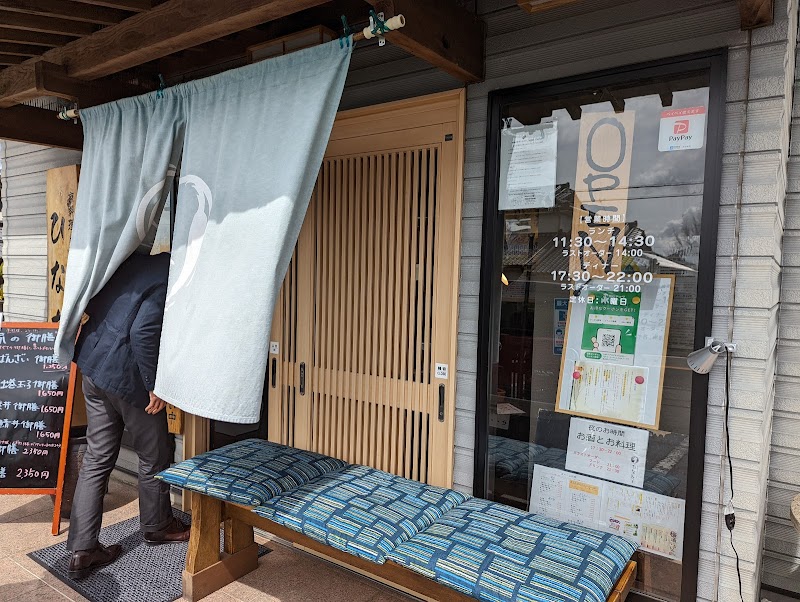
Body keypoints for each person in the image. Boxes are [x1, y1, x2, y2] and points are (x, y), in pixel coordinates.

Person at [66, 251, 190, 579]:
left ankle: (82, 548)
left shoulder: (133, 261)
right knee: (155, 453)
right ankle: (158, 526)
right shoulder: (171, 280)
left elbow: (93, 304)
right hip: (128, 377)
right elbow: (143, 332)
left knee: (96, 458)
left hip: (93, 367)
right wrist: (154, 386)